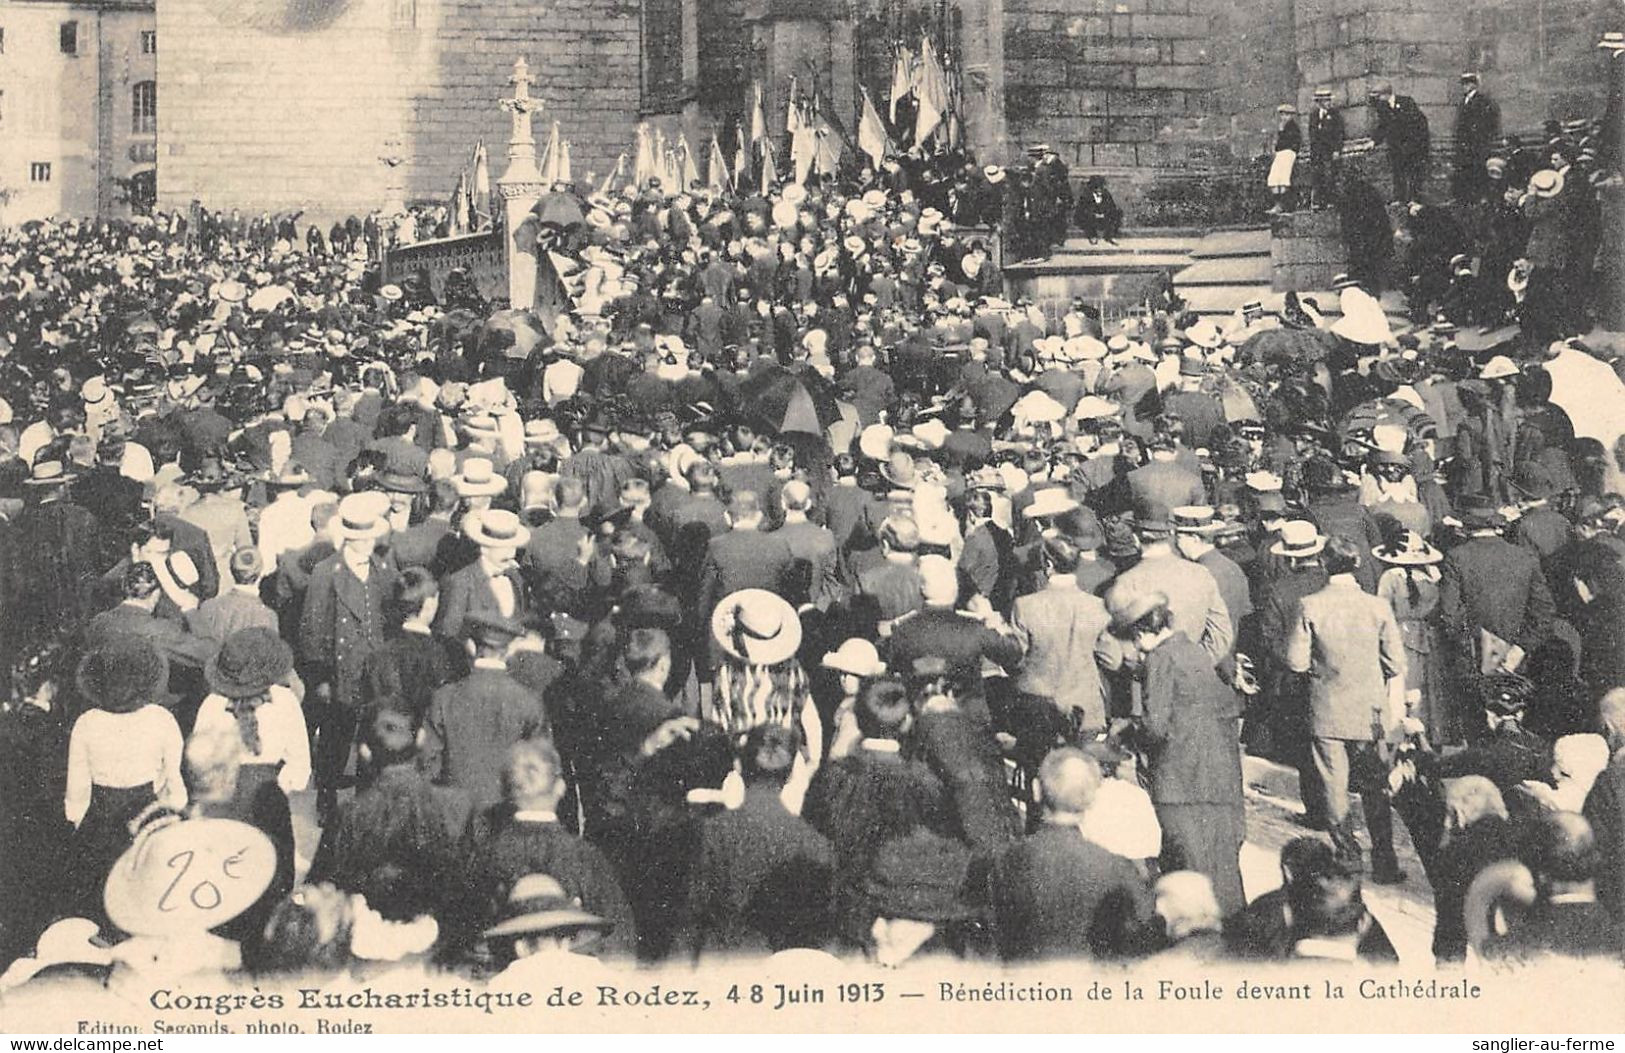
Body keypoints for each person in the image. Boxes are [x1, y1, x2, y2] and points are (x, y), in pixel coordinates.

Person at [1109, 589, 1246, 912]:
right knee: (1219, 867)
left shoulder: (1160, 659)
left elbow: (1155, 726)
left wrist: (1127, 732)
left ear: (1141, 633)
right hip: (1217, 775)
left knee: (1189, 867)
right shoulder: (1192, 650)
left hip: (1180, 780)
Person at [1285, 536, 1409, 880]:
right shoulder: (1378, 607)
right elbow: (1396, 663)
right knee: (1375, 786)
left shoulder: (1309, 605)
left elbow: (1295, 662)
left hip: (1326, 710)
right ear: (1356, 566)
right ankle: (1385, 861)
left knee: (1333, 785)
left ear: (1324, 564)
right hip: (1370, 713)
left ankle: (1348, 855)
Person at [461, 739, 636, 960]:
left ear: (504, 791)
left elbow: (466, 944)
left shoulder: (483, 858)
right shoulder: (585, 857)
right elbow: (620, 944)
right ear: (561, 787)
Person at [679, 725, 835, 959]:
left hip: (722, 964)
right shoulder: (817, 844)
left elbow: (692, 915)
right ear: (792, 773)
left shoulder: (712, 831)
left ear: (739, 766)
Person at [62, 638, 187, 923]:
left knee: (101, 897)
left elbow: (77, 790)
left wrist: (81, 822)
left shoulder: (86, 722)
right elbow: (174, 780)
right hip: (148, 815)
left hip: (100, 820)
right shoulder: (161, 718)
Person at [988, 748, 1149, 961]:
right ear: (1092, 798)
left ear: (1036, 791)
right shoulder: (1115, 867)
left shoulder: (1006, 861)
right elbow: (1141, 931)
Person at [191, 627, 310, 912]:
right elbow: (301, 765)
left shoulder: (212, 704)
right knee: (272, 875)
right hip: (269, 796)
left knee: (226, 876)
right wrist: (279, 785)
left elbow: (198, 762)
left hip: (224, 796)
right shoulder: (286, 702)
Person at [298, 493, 401, 819]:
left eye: (371, 537)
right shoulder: (327, 572)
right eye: (361, 538)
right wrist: (322, 679)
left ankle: (364, 800)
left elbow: (389, 615)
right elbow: (312, 631)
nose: (368, 543)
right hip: (340, 671)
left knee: (371, 736)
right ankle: (326, 796)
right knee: (335, 737)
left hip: (374, 667)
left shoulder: (382, 568)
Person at [420, 612, 547, 817]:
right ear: (508, 650)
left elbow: (428, 762)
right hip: (507, 814)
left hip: (453, 813)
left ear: (471, 646)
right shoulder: (529, 701)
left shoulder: (444, 697)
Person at [1368, 82, 1430, 204]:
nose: (1377, 100)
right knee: (1398, 172)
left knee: (1414, 173)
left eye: (1378, 97)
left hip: (1413, 144)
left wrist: (1414, 143)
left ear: (1386, 94)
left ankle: (1415, 199)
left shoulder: (1406, 102)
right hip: (1396, 146)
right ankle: (1399, 198)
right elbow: (1383, 126)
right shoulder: (1383, 107)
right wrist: (1374, 141)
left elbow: (1418, 123)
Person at [1453, 72, 1501, 202]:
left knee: (1477, 171)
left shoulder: (1482, 101)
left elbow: (1487, 123)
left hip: (1476, 145)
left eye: (1467, 84)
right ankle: (1467, 197)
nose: (1464, 87)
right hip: (1465, 146)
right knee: (1466, 172)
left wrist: (1480, 139)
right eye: (1463, 84)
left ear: (1474, 85)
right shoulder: (1464, 100)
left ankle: (1477, 197)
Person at [1307, 87, 1345, 209]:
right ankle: (1319, 202)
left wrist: (1337, 150)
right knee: (1318, 176)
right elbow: (1312, 134)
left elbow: (1339, 133)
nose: (1328, 103)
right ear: (1319, 103)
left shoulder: (1335, 115)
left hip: (1330, 150)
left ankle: (1331, 201)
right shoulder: (1314, 115)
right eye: (1325, 101)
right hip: (1318, 152)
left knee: (1331, 176)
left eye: (1329, 100)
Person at [1268, 104, 1302, 213]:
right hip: (1280, 154)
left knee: (1283, 178)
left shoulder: (1293, 128)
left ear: (1291, 116)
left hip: (1288, 153)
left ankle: (1284, 204)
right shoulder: (1281, 127)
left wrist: (1291, 151)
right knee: (1274, 178)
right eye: (1282, 115)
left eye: (1287, 115)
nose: (1284, 118)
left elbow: (1294, 143)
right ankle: (1277, 204)